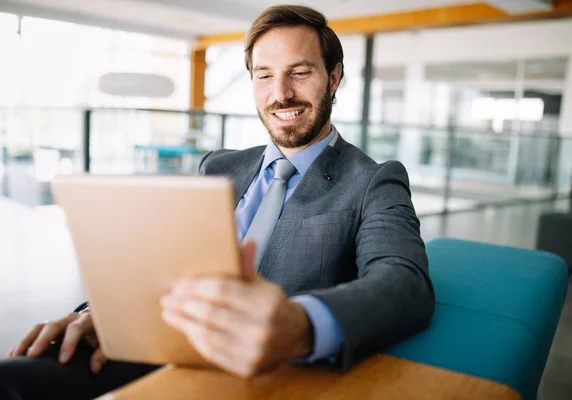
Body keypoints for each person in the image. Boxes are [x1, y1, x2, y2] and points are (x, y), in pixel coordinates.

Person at [0, 5, 434, 399]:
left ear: (334, 76)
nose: (280, 93)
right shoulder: (218, 166)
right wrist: (107, 314)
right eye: (264, 75)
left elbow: (405, 282)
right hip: (159, 342)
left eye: (299, 72)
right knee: (14, 379)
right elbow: (161, 261)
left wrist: (298, 326)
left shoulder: (374, 179)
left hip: (264, 374)